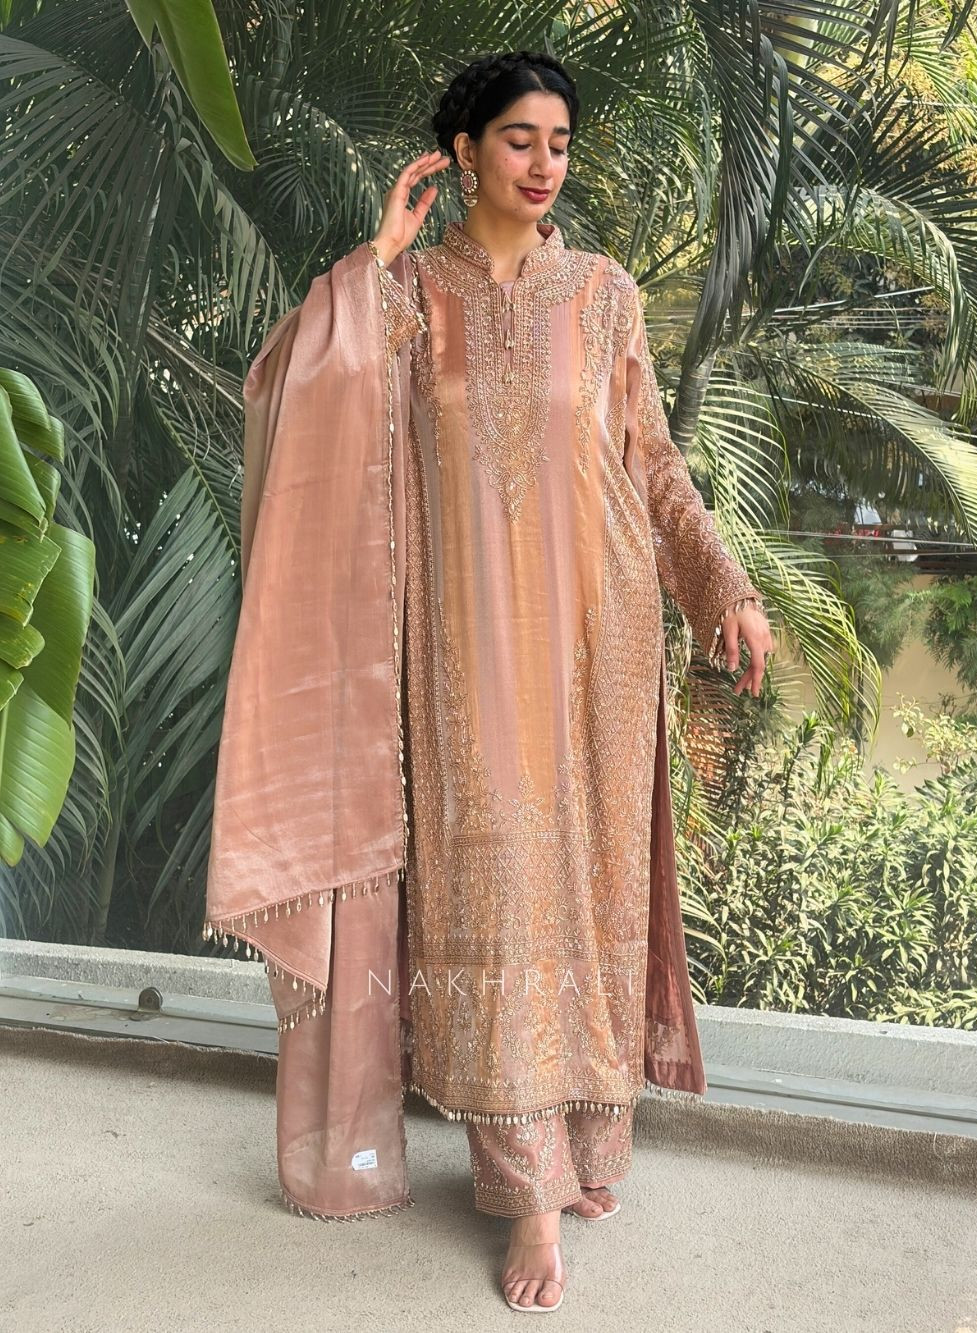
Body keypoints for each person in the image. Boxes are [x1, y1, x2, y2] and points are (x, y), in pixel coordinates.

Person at [204, 48, 774, 1316]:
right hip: (462, 653)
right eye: (519, 139)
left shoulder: (603, 293)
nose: (543, 164)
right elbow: (298, 386)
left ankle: (584, 1154)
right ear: (462, 152)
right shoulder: (409, 296)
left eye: (559, 143)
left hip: (599, 645)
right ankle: (526, 1195)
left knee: (589, 890)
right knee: (501, 885)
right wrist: (374, 255)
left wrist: (722, 587)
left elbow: (652, 463)